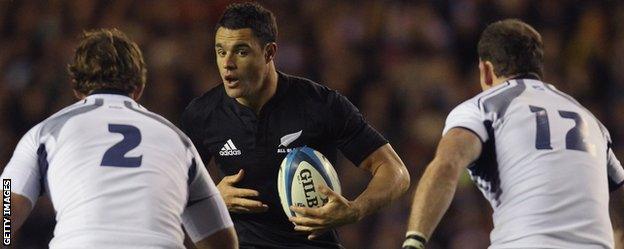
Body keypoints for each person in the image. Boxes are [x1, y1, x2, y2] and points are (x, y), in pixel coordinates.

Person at [180, 2, 410, 248]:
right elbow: (168, 188)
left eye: (241, 51)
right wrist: (212, 199)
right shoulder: (203, 114)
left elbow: (396, 173)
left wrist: (356, 209)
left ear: (269, 52)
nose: (227, 63)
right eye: (221, 51)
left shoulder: (320, 104)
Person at [1, 29, 238, 249]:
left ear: (75, 87)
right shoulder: (178, 140)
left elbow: (6, 212)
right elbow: (223, 241)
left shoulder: (45, 133)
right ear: (140, 87)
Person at [402, 19, 624, 249]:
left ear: (486, 71)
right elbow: (619, 193)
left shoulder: (483, 107)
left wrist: (414, 241)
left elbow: (446, 166)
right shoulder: (590, 120)